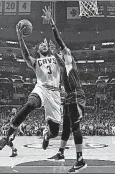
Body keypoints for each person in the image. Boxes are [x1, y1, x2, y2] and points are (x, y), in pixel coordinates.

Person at [0, 21, 62, 151]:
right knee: (30, 104)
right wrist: (20, 38)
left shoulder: (55, 58)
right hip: (41, 89)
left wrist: (55, 53)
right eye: (41, 45)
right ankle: (7, 137)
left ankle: (46, 135)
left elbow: (64, 66)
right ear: (37, 50)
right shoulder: (36, 61)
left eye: (45, 44)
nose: (44, 45)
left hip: (55, 94)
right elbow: (26, 56)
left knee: (54, 132)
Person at [42, 6, 87, 173]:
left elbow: (60, 41)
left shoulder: (70, 61)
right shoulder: (63, 68)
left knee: (75, 126)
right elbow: (56, 59)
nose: (62, 53)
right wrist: (50, 52)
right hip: (69, 97)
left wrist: (52, 23)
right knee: (66, 127)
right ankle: (61, 153)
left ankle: (80, 159)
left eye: (63, 53)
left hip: (76, 95)